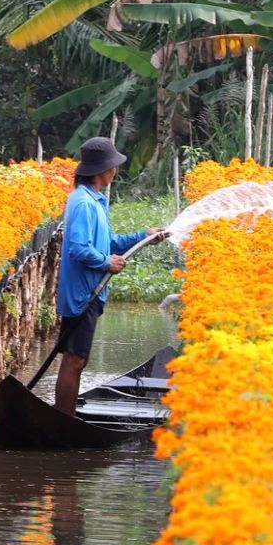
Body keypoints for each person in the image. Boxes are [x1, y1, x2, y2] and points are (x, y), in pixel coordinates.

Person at [54, 137, 166, 416]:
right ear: (103, 170)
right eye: (114, 165)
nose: (116, 170)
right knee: (74, 359)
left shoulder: (94, 200)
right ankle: (63, 421)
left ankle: (64, 415)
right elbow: (79, 248)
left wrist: (144, 237)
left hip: (89, 292)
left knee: (78, 358)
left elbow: (108, 242)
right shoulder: (83, 203)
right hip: (82, 294)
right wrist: (106, 263)